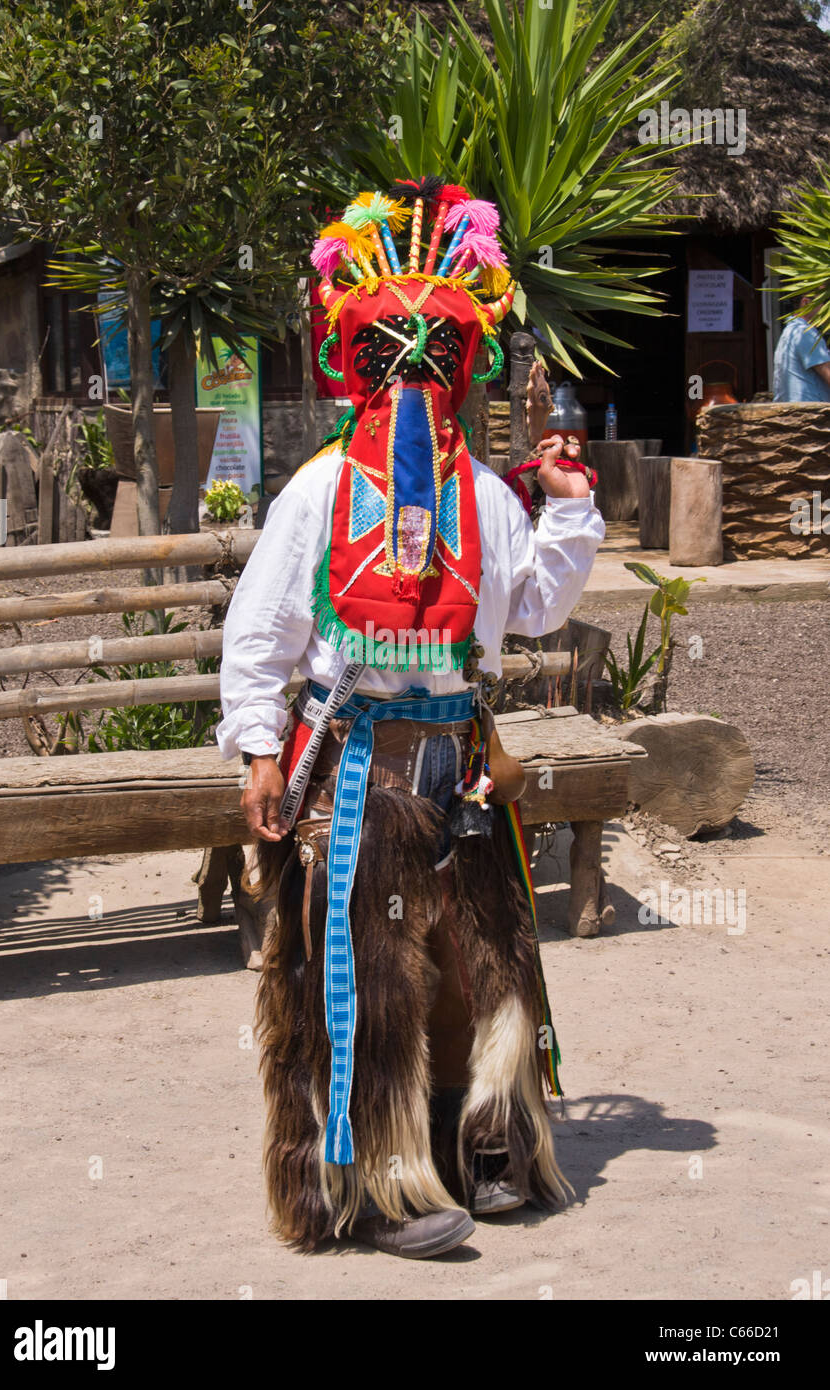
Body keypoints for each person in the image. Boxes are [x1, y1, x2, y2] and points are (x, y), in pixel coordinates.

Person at [217, 178, 605, 1259]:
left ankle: (487, 1148)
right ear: (362, 370)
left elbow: (532, 606)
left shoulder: (482, 493)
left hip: (463, 765)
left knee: (487, 967)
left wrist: (569, 506)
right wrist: (259, 749)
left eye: (434, 363)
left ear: (460, 374)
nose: (416, 384)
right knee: (368, 977)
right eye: (398, 361)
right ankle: (371, 1187)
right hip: (359, 767)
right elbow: (261, 631)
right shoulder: (320, 491)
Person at [773, 295, 830, 403]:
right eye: (825, 301)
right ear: (806, 302)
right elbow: (828, 373)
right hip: (810, 410)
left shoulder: (792, 331)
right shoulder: (804, 332)